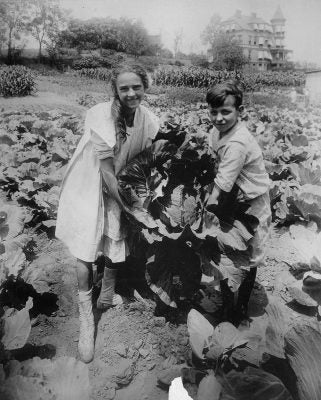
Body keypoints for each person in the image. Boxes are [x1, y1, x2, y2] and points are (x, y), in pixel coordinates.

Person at [55, 64, 159, 363]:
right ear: (115, 90)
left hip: (121, 182)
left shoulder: (148, 119)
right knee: (86, 250)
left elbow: (150, 157)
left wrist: (143, 194)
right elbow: (106, 173)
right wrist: (130, 205)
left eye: (136, 87)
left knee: (117, 237)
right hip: (91, 183)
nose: (130, 93)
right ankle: (87, 318)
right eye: (124, 88)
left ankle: (106, 294)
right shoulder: (100, 116)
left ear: (145, 86)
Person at [206, 80, 271, 323]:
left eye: (226, 112)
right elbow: (217, 167)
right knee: (228, 249)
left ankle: (240, 307)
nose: (219, 118)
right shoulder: (216, 132)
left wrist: (206, 210)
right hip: (234, 198)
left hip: (252, 203)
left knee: (250, 253)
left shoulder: (238, 142)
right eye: (214, 112)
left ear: (239, 112)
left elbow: (222, 183)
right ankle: (227, 301)